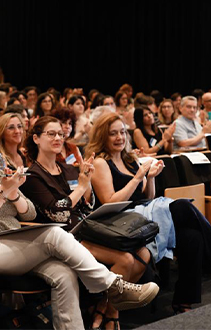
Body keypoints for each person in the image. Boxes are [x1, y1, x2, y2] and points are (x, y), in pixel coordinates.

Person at [0, 121, 159, 330]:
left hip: (16, 243)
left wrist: (15, 193)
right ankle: (114, 286)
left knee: (64, 274)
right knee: (53, 233)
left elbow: (29, 211)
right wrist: (2, 194)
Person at [20, 116, 152, 329]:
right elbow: (58, 214)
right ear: (36, 138)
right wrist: (82, 187)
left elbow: (84, 206)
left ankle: (104, 308)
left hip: (86, 226)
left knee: (144, 252)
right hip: (62, 236)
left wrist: (86, 186)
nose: (57, 138)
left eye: (61, 134)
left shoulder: (66, 169)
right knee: (126, 260)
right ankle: (111, 315)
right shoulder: (32, 176)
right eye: (51, 134)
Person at [87, 112, 211, 314]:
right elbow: (109, 201)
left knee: (192, 238)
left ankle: (183, 301)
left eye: (123, 132)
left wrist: (150, 178)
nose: (119, 138)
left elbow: (147, 197)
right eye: (113, 134)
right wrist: (137, 177)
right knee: (183, 207)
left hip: (143, 213)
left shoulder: (130, 158)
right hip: (119, 220)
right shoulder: (100, 163)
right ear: (102, 136)